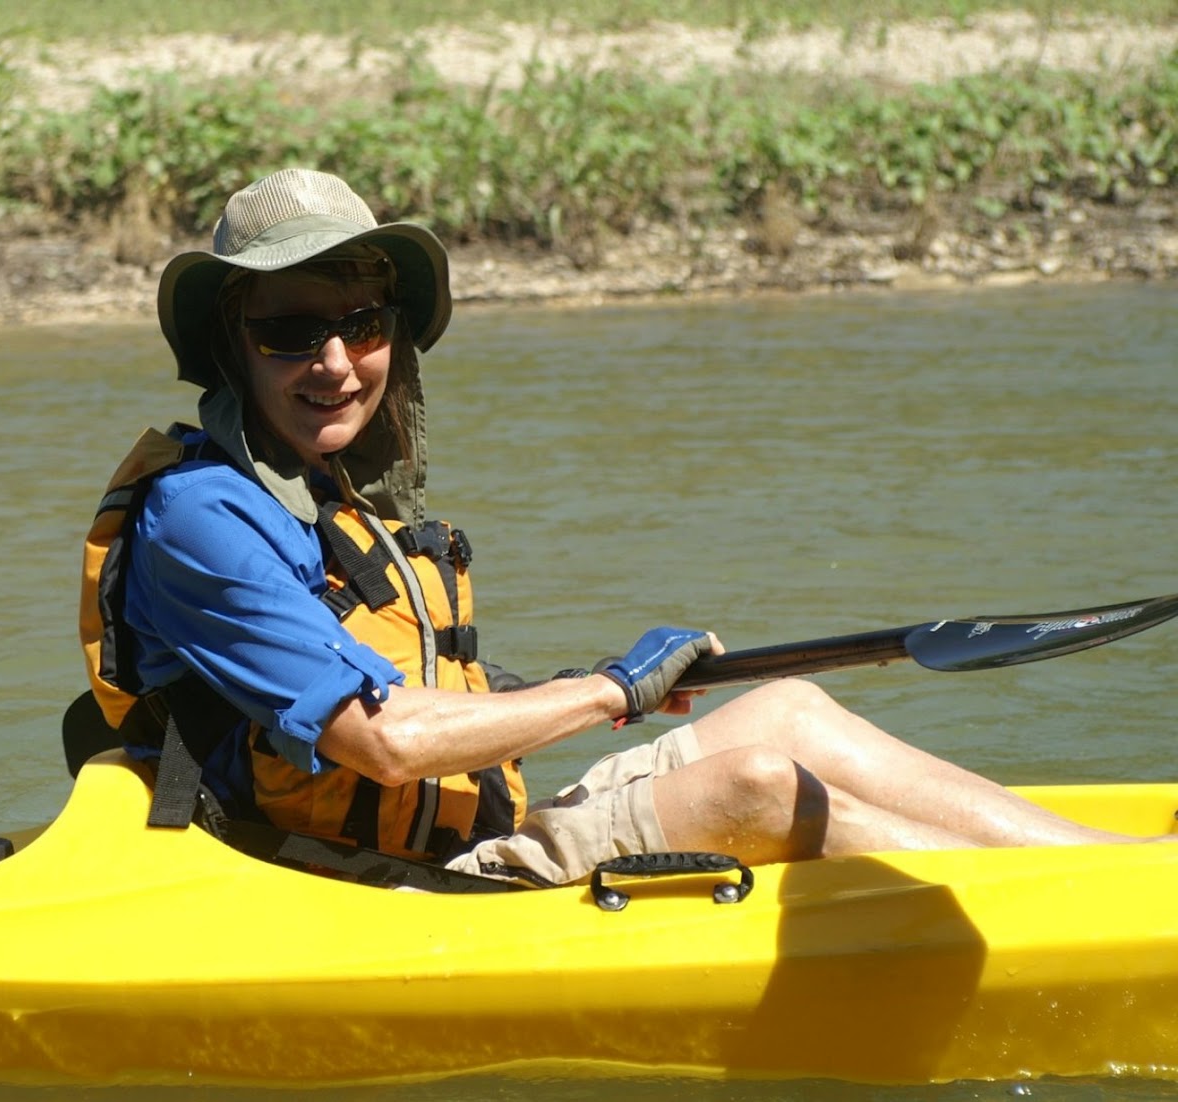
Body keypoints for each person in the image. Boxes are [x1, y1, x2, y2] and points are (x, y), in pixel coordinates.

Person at [78, 167, 1161, 889]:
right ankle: (1075, 920)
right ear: (232, 342)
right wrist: (610, 694)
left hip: (466, 827)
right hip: (361, 896)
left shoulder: (324, 489)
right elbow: (386, 741)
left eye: (359, 324)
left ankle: (1113, 875)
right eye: (289, 331)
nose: (333, 363)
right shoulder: (203, 516)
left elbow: (412, 686)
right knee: (754, 787)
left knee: (789, 710)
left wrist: (562, 682)